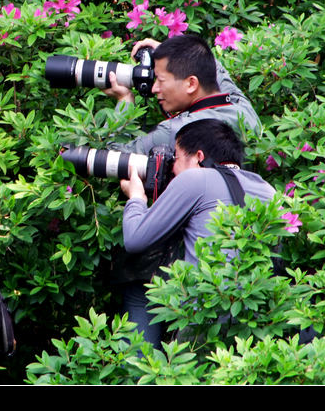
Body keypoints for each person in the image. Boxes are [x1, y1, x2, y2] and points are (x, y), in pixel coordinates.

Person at [117, 118, 275, 348]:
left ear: (199, 157)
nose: (172, 168)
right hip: (256, 318)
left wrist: (136, 198)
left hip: (205, 317)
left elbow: (134, 239)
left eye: (176, 158)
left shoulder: (196, 177)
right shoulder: (267, 189)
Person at [104, 34, 260, 155]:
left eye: (160, 80)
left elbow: (112, 155)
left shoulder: (175, 131)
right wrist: (174, 53)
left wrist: (124, 100)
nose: (154, 89)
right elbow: (213, 69)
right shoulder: (242, 109)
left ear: (191, 84)